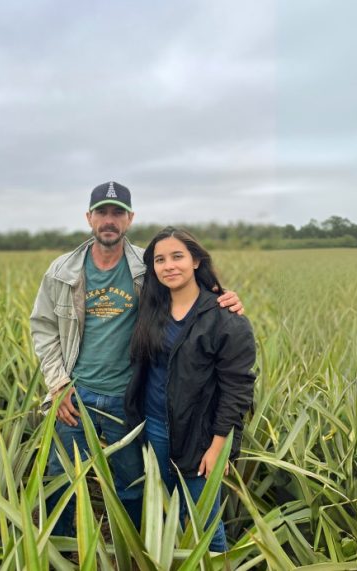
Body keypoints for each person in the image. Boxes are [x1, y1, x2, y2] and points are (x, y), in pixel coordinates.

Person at [29, 183, 244, 537]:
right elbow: (43, 327)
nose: (109, 220)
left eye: (117, 213)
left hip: (128, 399)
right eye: (102, 212)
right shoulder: (61, 270)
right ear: (89, 217)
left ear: (130, 219)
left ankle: (129, 545)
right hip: (74, 396)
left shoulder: (148, 267)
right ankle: (58, 547)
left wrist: (224, 299)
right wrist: (57, 383)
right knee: (60, 478)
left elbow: (189, 292)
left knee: (132, 483)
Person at [125, 226, 257, 552]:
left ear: (196, 260)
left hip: (201, 437)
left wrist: (218, 447)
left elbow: (237, 388)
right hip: (154, 429)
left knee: (204, 525)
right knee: (161, 513)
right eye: (160, 260)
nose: (169, 266)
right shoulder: (151, 309)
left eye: (177, 257)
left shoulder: (225, 317)